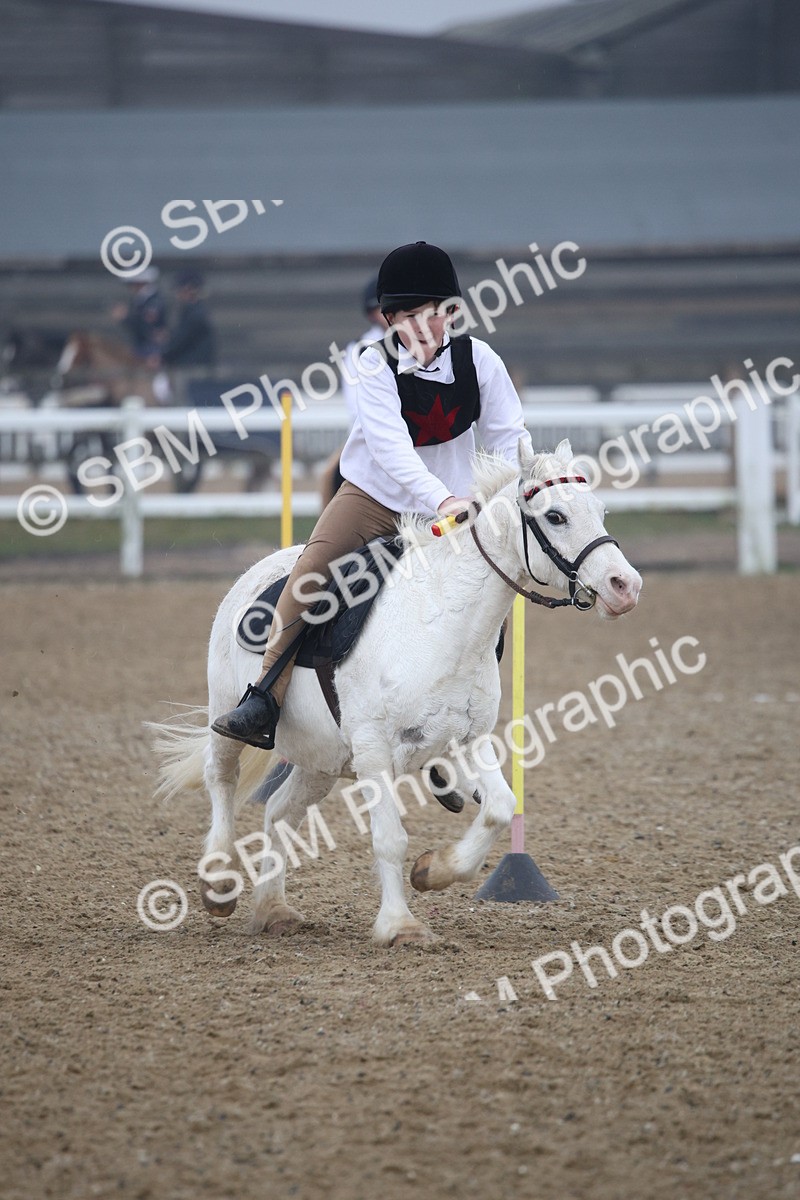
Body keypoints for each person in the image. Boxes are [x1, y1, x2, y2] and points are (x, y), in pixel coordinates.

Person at [212, 240, 533, 749]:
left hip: (458, 506)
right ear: (387, 319)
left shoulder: (483, 362)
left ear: (450, 311)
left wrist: (513, 489)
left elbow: (509, 438)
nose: (417, 328)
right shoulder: (371, 364)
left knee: (486, 594)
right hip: (374, 501)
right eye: (403, 316)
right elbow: (391, 451)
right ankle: (264, 697)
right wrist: (441, 500)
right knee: (311, 573)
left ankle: (460, 723)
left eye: (428, 313)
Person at [320, 275, 389, 505]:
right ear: (371, 314)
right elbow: (354, 400)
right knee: (328, 477)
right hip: (371, 430)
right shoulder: (358, 349)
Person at [110, 266, 168, 364]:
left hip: (151, 348)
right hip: (143, 346)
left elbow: (147, 326)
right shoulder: (140, 301)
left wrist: (125, 318)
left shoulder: (154, 301)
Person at [160, 270, 216, 368]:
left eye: (180, 289)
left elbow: (181, 340)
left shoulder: (196, 314)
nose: (177, 294)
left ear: (189, 289)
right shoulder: (191, 311)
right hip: (191, 365)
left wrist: (162, 357)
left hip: (193, 368)